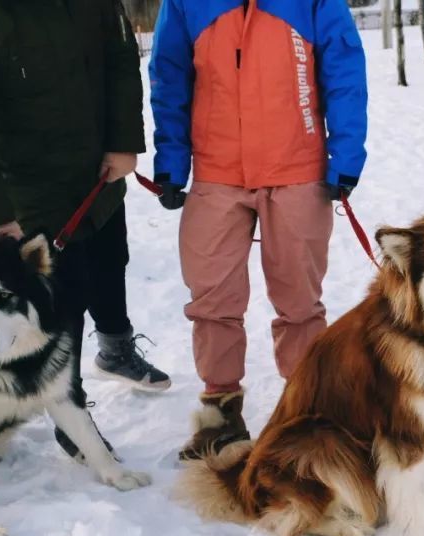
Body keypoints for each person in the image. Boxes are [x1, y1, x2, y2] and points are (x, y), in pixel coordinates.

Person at [0, 0, 170, 458]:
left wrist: (123, 141)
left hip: (96, 171)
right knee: (64, 296)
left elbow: (119, 58)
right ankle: (69, 409)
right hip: (25, 189)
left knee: (110, 262)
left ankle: (116, 350)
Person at [149, 0, 367, 459]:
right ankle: (220, 417)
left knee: (299, 302)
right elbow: (169, 75)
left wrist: (345, 156)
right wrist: (171, 161)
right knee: (212, 300)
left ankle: (307, 411)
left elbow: (344, 69)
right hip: (216, 172)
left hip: (297, 170)